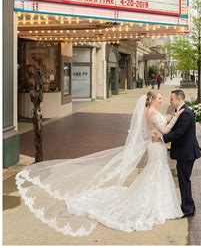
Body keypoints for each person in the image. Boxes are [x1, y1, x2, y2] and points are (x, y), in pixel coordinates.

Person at [15, 90, 184, 237]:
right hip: (157, 146)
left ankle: (159, 202)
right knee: (156, 171)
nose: (162, 101)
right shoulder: (153, 113)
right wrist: (176, 117)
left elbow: (162, 121)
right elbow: (166, 130)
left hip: (155, 145)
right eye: (160, 98)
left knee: (156, 171)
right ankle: (157, 204)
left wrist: (170, 117)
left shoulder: (151, 112)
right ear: (152, 100)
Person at [152, 89, 201, 217]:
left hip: (187, 153)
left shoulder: (185, 113)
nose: (170, 101)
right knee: (184, 179)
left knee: (184, 180)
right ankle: (188, 204)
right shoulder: (180, 111)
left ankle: (188, 208)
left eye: (172, 99)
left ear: (179, 100)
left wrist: (162, 138)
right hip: (185, 152)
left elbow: (179, 132)